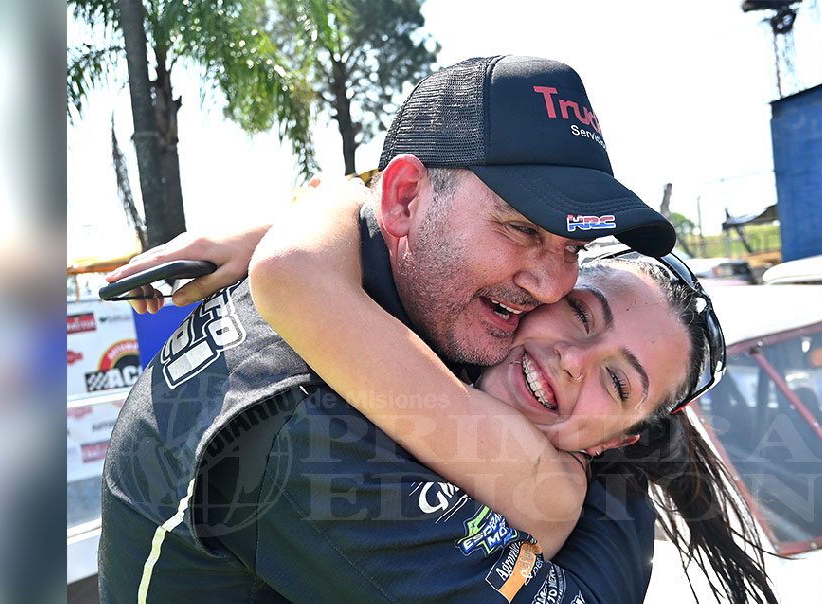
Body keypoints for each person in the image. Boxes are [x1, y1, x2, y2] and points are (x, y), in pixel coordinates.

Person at [99, 55, 679, 604]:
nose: (552, 287)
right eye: (522, 229)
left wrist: (320, 209)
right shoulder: (308, 426)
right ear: (404, 199)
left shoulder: (422, 303)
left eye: (574, 247)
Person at [246, 189, 777, 604]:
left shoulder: (554, 489)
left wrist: (340, 201)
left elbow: (292, 272)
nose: (573, 360)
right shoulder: (433, 330)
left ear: (613, 442)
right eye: (580, 314)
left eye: (617, 384)